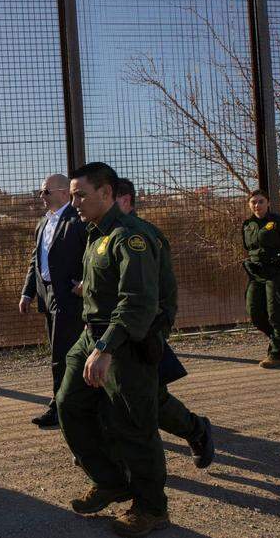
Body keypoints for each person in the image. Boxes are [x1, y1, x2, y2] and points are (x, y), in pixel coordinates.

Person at [56, 163, 169, 537]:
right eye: (72, 196)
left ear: (106, 193)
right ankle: (110, 482)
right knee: (69, 404)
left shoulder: (130, 237)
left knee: (134, 424)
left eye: (80, 195)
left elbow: (137, 301)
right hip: (92, 336)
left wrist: (105, 348)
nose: (74, 203)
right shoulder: (95, 233)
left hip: (124, 342)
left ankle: (152, 508)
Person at [115, 179, 214, 469]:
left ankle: (195, 429)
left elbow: (156, 289)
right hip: (112, 326)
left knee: (149, 396)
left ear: (126, 200)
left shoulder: (141, 234)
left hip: (143, 326)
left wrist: (156, 326)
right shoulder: (104, 233)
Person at [19, 173, 87, 428]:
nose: (41, 196)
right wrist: (27, 293)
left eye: (46, 191)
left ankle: (60, 408)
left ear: (63, 193)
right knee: (60, 352)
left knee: (62, 355)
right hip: (47, 295)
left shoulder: (77, 220)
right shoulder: (43, 222)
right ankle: (72, 404)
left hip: (69, 296)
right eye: (41, 191)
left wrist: (86, 282)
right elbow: (35, 260)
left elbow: (91, 253)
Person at [242, 189, 280, 368]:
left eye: (261, 201)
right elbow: (250, 249)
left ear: (268, 203)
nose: (257, 205)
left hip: (277, 274)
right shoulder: (248, 225)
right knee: (255, 312)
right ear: (249, 204)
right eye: (253, 202)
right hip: (257, 275)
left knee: (277, 314)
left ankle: (277, 354)